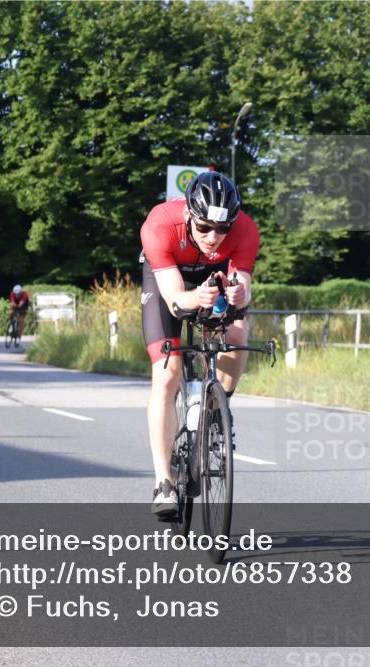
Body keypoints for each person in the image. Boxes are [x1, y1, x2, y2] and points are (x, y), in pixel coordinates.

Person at [140, 171, 259, 517]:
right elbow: (176, 300)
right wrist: (196, 297)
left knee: (236, 335)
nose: (213, 237)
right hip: (170, 279)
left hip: (215, 278)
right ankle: (164, 481)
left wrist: (239, 292)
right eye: (205, 227)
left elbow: (245, 285)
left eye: (223, 229)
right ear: (190, 216)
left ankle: (217, 411)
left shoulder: (246, 231)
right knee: (167, 372)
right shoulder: (159, 225)